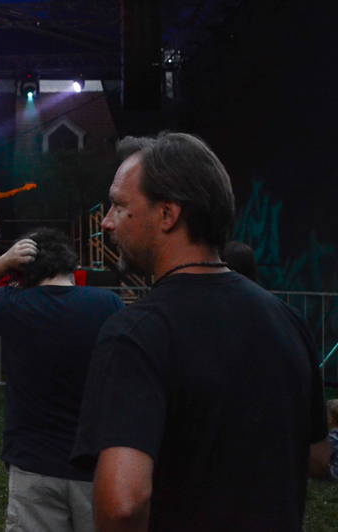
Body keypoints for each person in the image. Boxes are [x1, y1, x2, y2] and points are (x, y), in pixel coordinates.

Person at [70, 132, 325, 531]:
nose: (106, 222)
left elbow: (123, 504)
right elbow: (317, 457)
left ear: (167, 214)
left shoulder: (136, 333)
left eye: (119, 206)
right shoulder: (288, 321)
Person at [0, 228, 124, 532]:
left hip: (33, 462)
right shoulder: (108, 304)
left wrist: (3, 261)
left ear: (23, 269)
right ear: (71, 263)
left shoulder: (14, 304)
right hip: (94, 461)